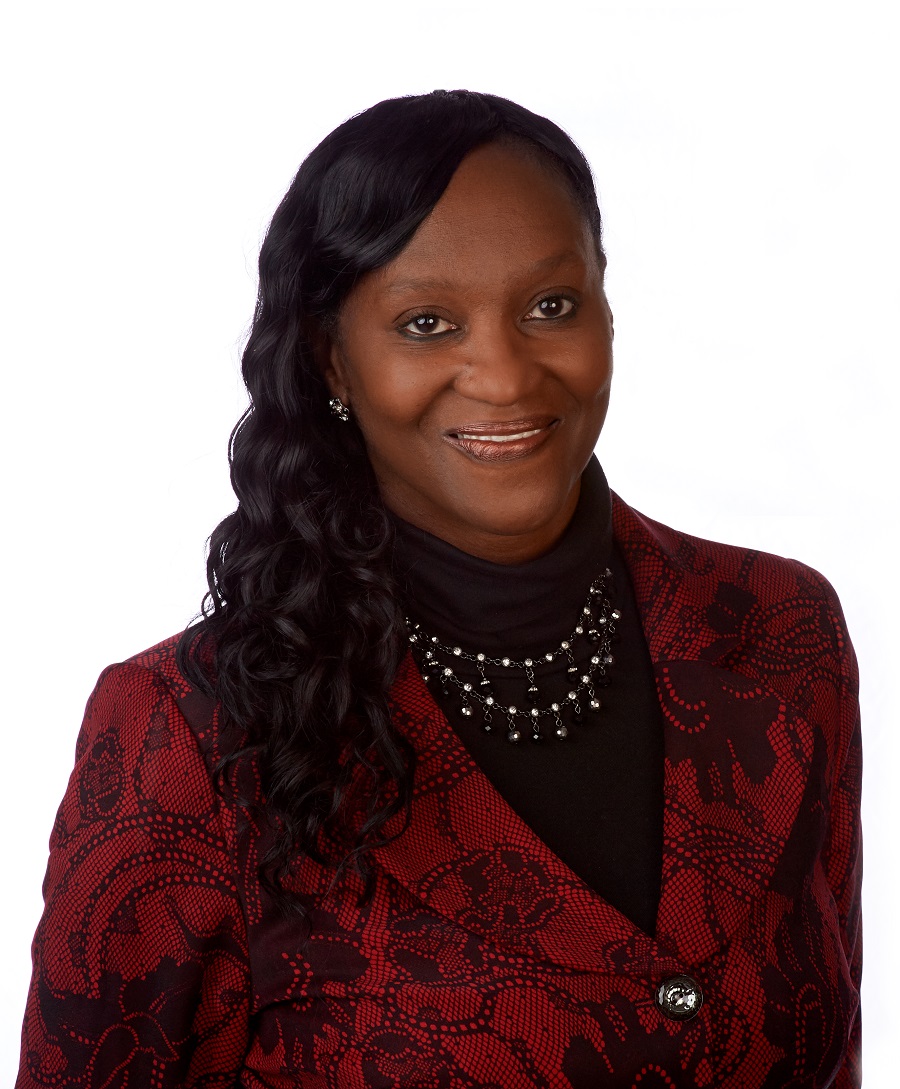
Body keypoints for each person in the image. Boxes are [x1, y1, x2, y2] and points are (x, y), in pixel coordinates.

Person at [16, 90, 861, 1088]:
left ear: (607, 306)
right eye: (426, 323)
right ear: (335, 357)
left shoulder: (779, 631)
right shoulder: (188, 733)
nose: (503, 376)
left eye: (552, 306)